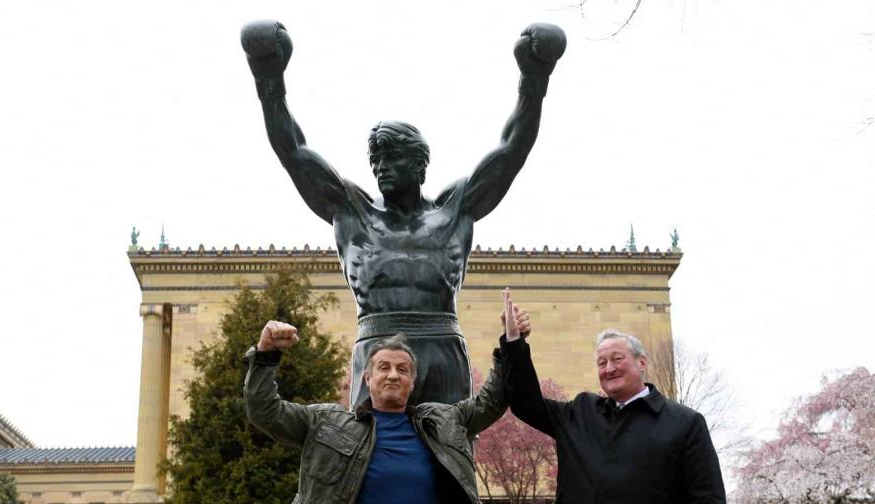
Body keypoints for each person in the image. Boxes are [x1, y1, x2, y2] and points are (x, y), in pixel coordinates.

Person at [240, 20, 566, 407]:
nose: (381, 167)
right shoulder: (352, 211)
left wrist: (534, 78)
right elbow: (293, 152)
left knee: (448, 455)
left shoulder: (454, 209)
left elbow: (512, 151)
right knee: (369, 455)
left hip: (442, 350)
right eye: (376, 159)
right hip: (376, 350)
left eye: (392, 158)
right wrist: (269, 79)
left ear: (419, 164)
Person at [244, 292, 530, 503]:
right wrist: (266, 353)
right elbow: (264, 411)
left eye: (402, 369)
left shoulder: (444, 421)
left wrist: (511, 344)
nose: (393, 375)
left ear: (412, 381)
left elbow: (492, 401)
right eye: (384, 367)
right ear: (367, 378)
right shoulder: (324, 422)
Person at [500, 297, 726, 504]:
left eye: (617, 359)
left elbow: (707, 497)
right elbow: (524, 402)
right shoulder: (579, 413)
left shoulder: (685, 423)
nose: (609, 368)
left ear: (642, 362)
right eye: (601, 363)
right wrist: (514, 341)